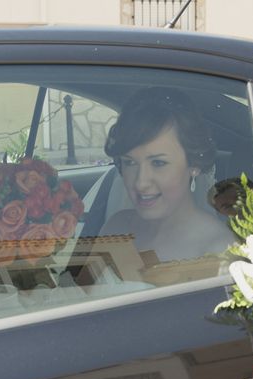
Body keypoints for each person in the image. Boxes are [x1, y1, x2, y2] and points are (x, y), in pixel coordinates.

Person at [100, 87, 235, 262]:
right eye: (130, 162)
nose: (140, 183)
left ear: (193, 164)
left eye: (158, 163)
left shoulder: (219, 249)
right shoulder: (116, 227)